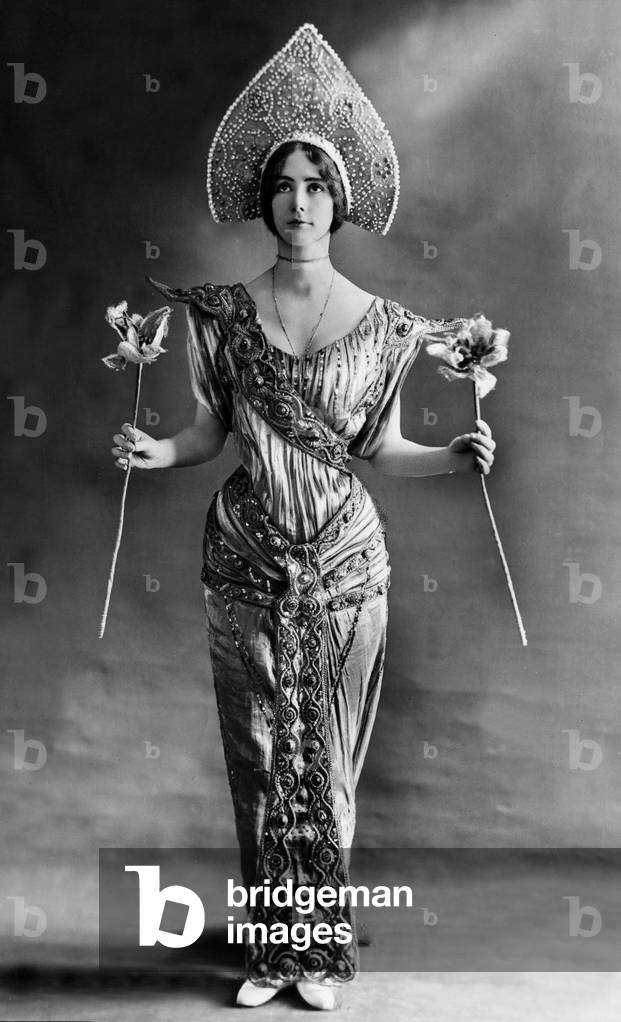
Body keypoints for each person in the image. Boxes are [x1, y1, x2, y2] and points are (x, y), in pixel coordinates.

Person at [110, 24, 495, 1012]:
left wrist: (454, 454)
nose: (301, 201)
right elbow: (209, 432)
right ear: (261, 198)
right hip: (244, 560)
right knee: (261, 753)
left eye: (318, 183)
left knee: (328, 757)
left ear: (343, 198)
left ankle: (317, 952)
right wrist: (162, 451)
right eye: (284, 182)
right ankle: (273, 948)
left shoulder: (390, 324)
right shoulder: (220, 314)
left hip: (347, 569)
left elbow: (378, 449)